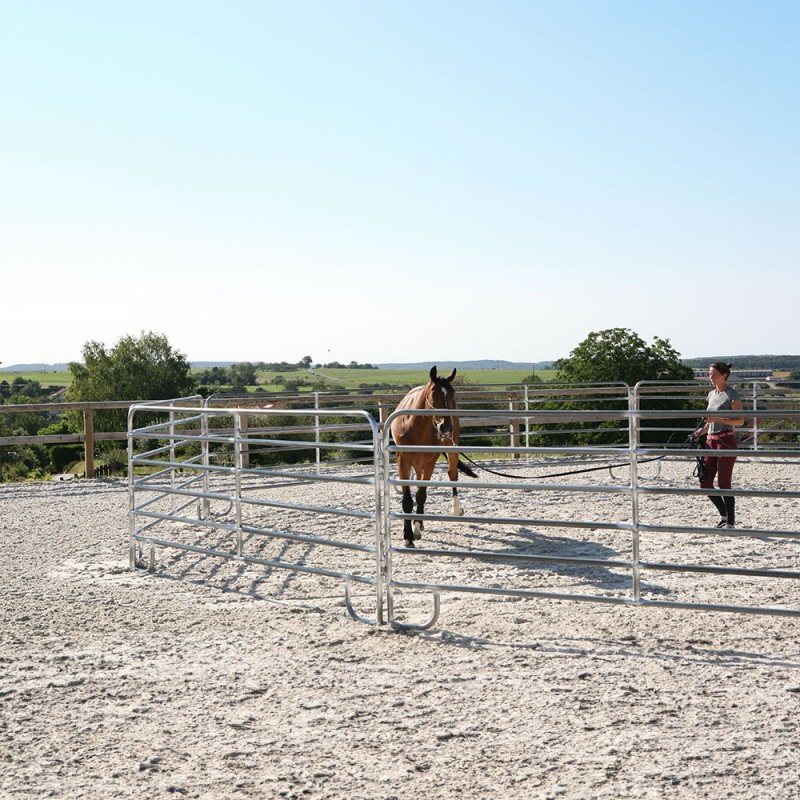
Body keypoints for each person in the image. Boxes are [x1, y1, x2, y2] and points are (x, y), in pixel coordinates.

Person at [694, 362, 744, 528]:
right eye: (710, 374)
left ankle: (730, 522)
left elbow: (739, 421)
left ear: (724, 375)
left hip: (726, 441)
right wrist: (699, 433)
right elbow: (710, 422)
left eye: (714, 374)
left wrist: (717, 419)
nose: (711, 377)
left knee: (724, 483)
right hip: (710, 440)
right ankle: (724, 515)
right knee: (705, 483)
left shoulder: (732, 394)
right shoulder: (711, 395)